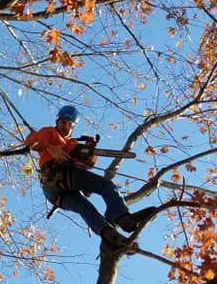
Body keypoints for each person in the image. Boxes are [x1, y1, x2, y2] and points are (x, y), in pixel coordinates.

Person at [25, 105, 156, 251]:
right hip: (56, 175)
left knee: (84, 207)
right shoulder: (49, 132)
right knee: (105, 185)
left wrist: (90, 149)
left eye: (70, 124)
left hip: (57, 194)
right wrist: (49, 147)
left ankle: (111, 235)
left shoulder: (72, 144)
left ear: (73, 127)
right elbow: (31, 140)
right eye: (63, 123)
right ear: (57, 121)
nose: (66, 127)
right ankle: (124, 218)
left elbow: (89, 164)